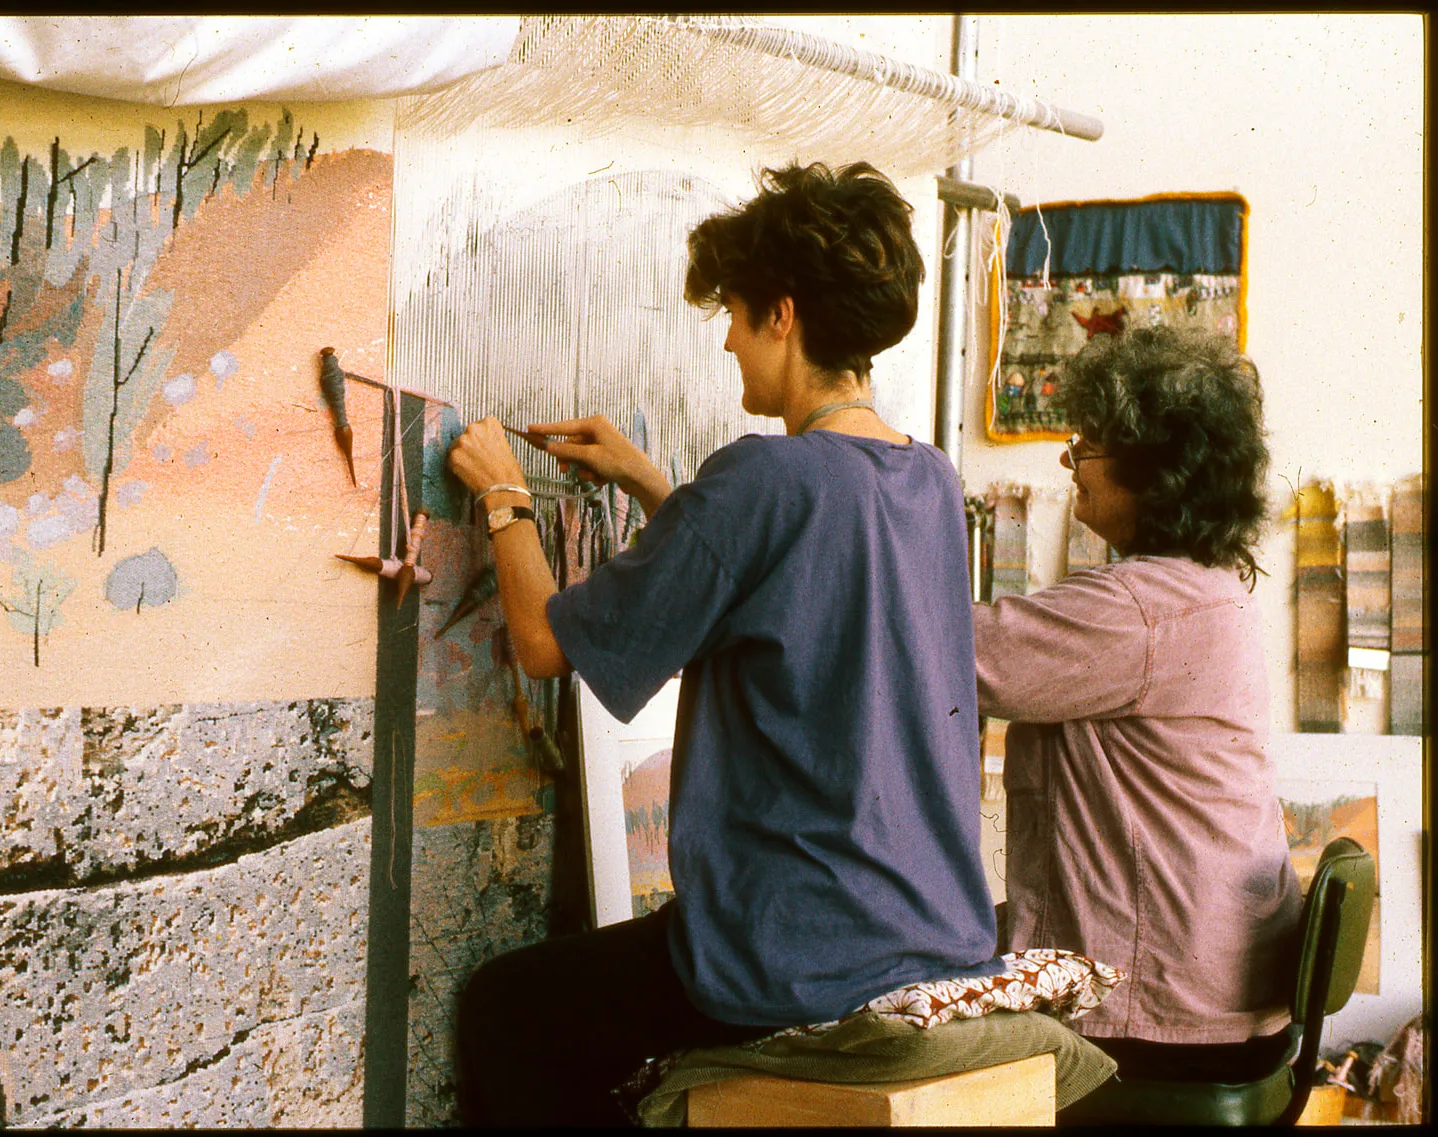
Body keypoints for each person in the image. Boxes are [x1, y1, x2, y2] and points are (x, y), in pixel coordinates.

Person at [446, 161, 1001, 1126]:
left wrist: (505, 496)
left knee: (505, 1009)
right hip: (933, 929)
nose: (732, 345)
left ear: (783, 315)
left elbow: (541, 643)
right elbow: (791, 574)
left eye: (737, 318)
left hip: (794, 953)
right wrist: (659, 486)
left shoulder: (760, 479)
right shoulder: (929, 483)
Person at [973, 326, 1303, 1090]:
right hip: (1230, 1005)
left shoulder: (1135, 609)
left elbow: (952, 651)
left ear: (1155, 470)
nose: (1071, 459)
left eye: (1088, 442)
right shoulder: (1213, 591)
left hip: (1165, 1018)